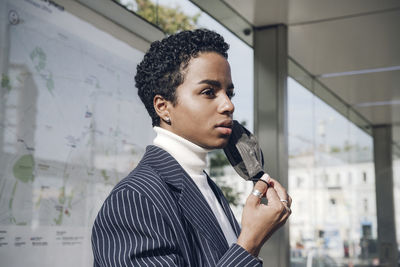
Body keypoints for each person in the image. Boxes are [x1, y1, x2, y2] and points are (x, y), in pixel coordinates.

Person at [91, 29, 291, 266]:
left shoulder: (205, 185)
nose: (228, 105)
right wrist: (250, 243)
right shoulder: (134, 200)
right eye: (209, 92)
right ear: (163, 107)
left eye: (229, 93)